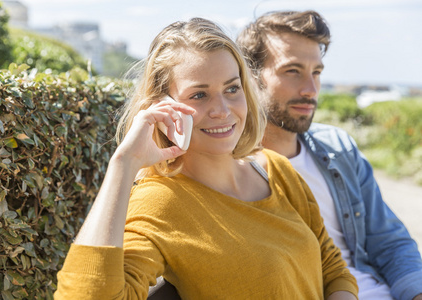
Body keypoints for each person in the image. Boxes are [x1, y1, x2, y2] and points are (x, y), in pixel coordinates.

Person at [54, 17, 358, 299]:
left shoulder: (275, 169)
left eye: (232, 89)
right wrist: (123, 164)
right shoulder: (159, 202)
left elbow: (332, 267)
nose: (222, 110)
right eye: (199, 95)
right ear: (161, 107)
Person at [237, 10, 422, 300]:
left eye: (317, 73)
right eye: (293, 71)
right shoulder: (230, 171)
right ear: (251, 77)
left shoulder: (338, 147)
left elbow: (390, 243)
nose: (311, 90)